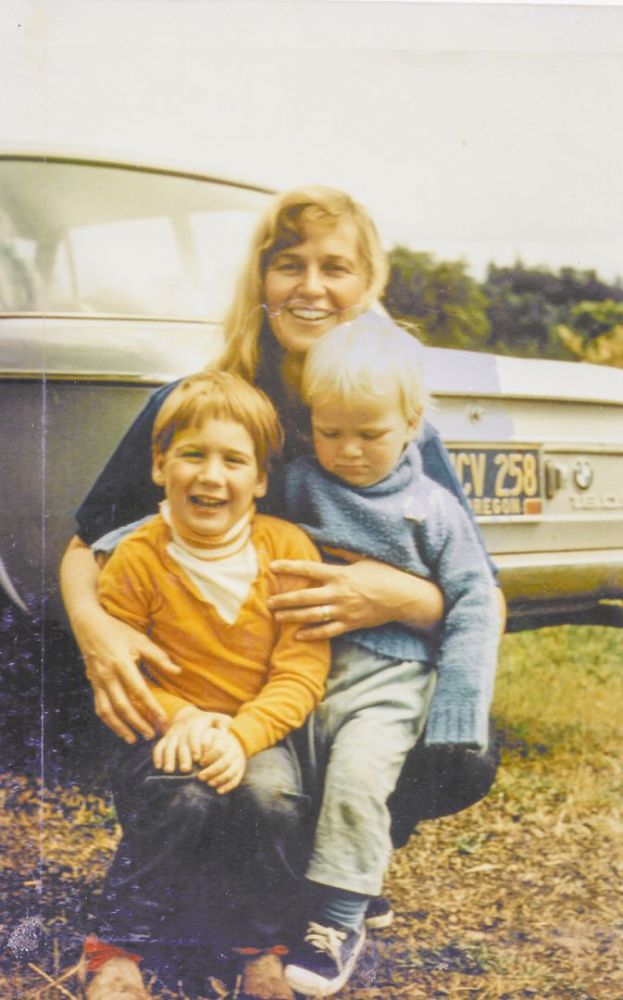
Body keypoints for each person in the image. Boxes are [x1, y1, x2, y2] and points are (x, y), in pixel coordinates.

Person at [60, 185, 504, 994]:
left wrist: (393, 596)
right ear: (259, 281)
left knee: (457, 754)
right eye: (288, 264)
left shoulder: (394, 412)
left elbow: (467, 579)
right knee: (228, 780)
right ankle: (205, 904)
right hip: (215, 672)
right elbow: (90, 543)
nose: (311, 286)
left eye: (335, 267)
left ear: (368, 284)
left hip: (331, 676)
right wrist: (96, 629)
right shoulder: (208, 403)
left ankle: (325, 882)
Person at [79, 371, 330, 1000]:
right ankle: (118, 944)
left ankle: (258, 946)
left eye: (233, 460)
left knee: (270, 795)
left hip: (257, 731)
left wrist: (242, 736)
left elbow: (301, 670)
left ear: (261, 479)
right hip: (160, 729)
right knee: (183, 795)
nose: (211, 475)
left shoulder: (288, 551)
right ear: (160, 465)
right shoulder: (138, 557)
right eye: (193, 454)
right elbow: (123, 668)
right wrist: (181, 717)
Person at [275, 313, 500, 997]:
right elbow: (229, 522)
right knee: (290, 788)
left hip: (390, 681)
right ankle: (325, 892)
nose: (346, 450)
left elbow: (475, 601)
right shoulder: (295, 483)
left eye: (368, 434)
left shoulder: (430, 508)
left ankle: (336, 922)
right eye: (329, 430)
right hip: (303, 668)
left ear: (411, 424)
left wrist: (459, 708)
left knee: (354, 782)